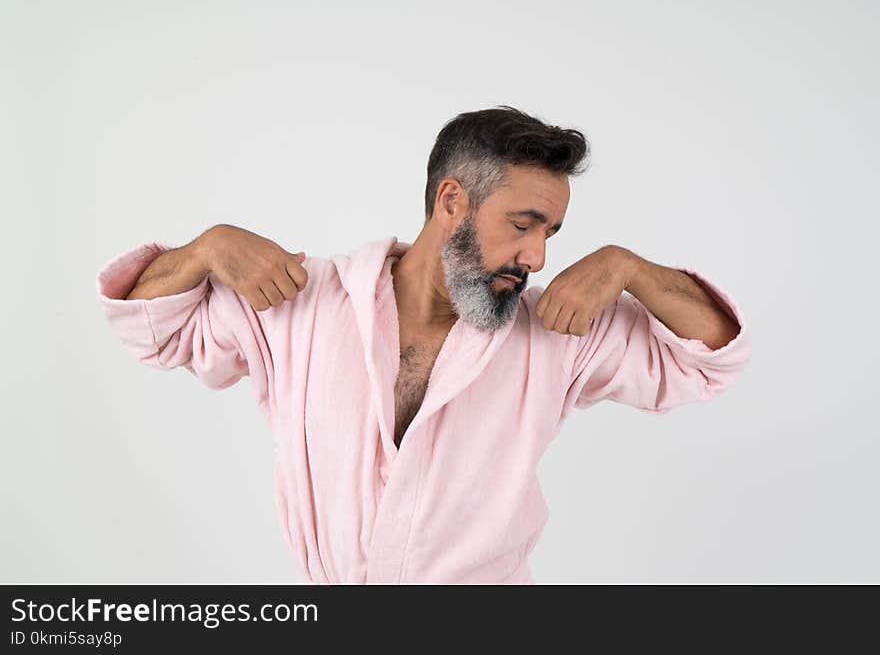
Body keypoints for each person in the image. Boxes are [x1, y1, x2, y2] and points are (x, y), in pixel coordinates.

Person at [96, 105, 752, 584]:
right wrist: (207, 246)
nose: (539, 256)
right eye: (523, 225)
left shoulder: (553, 331)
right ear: (451, 201)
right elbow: (150, 322)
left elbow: (711, 352)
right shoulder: (302, 303)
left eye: (552, 230)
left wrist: (627, 267)